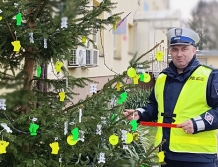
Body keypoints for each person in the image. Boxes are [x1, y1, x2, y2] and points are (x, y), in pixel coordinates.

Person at [124, 27, 218, 167]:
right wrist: (139, 114)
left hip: (199, 158)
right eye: (174, 49)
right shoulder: (162, 77)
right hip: (166, 154)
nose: (179, 54)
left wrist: (197, 123)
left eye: (184, 49)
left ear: (194, 50)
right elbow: (154, 106)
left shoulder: (210, 76)